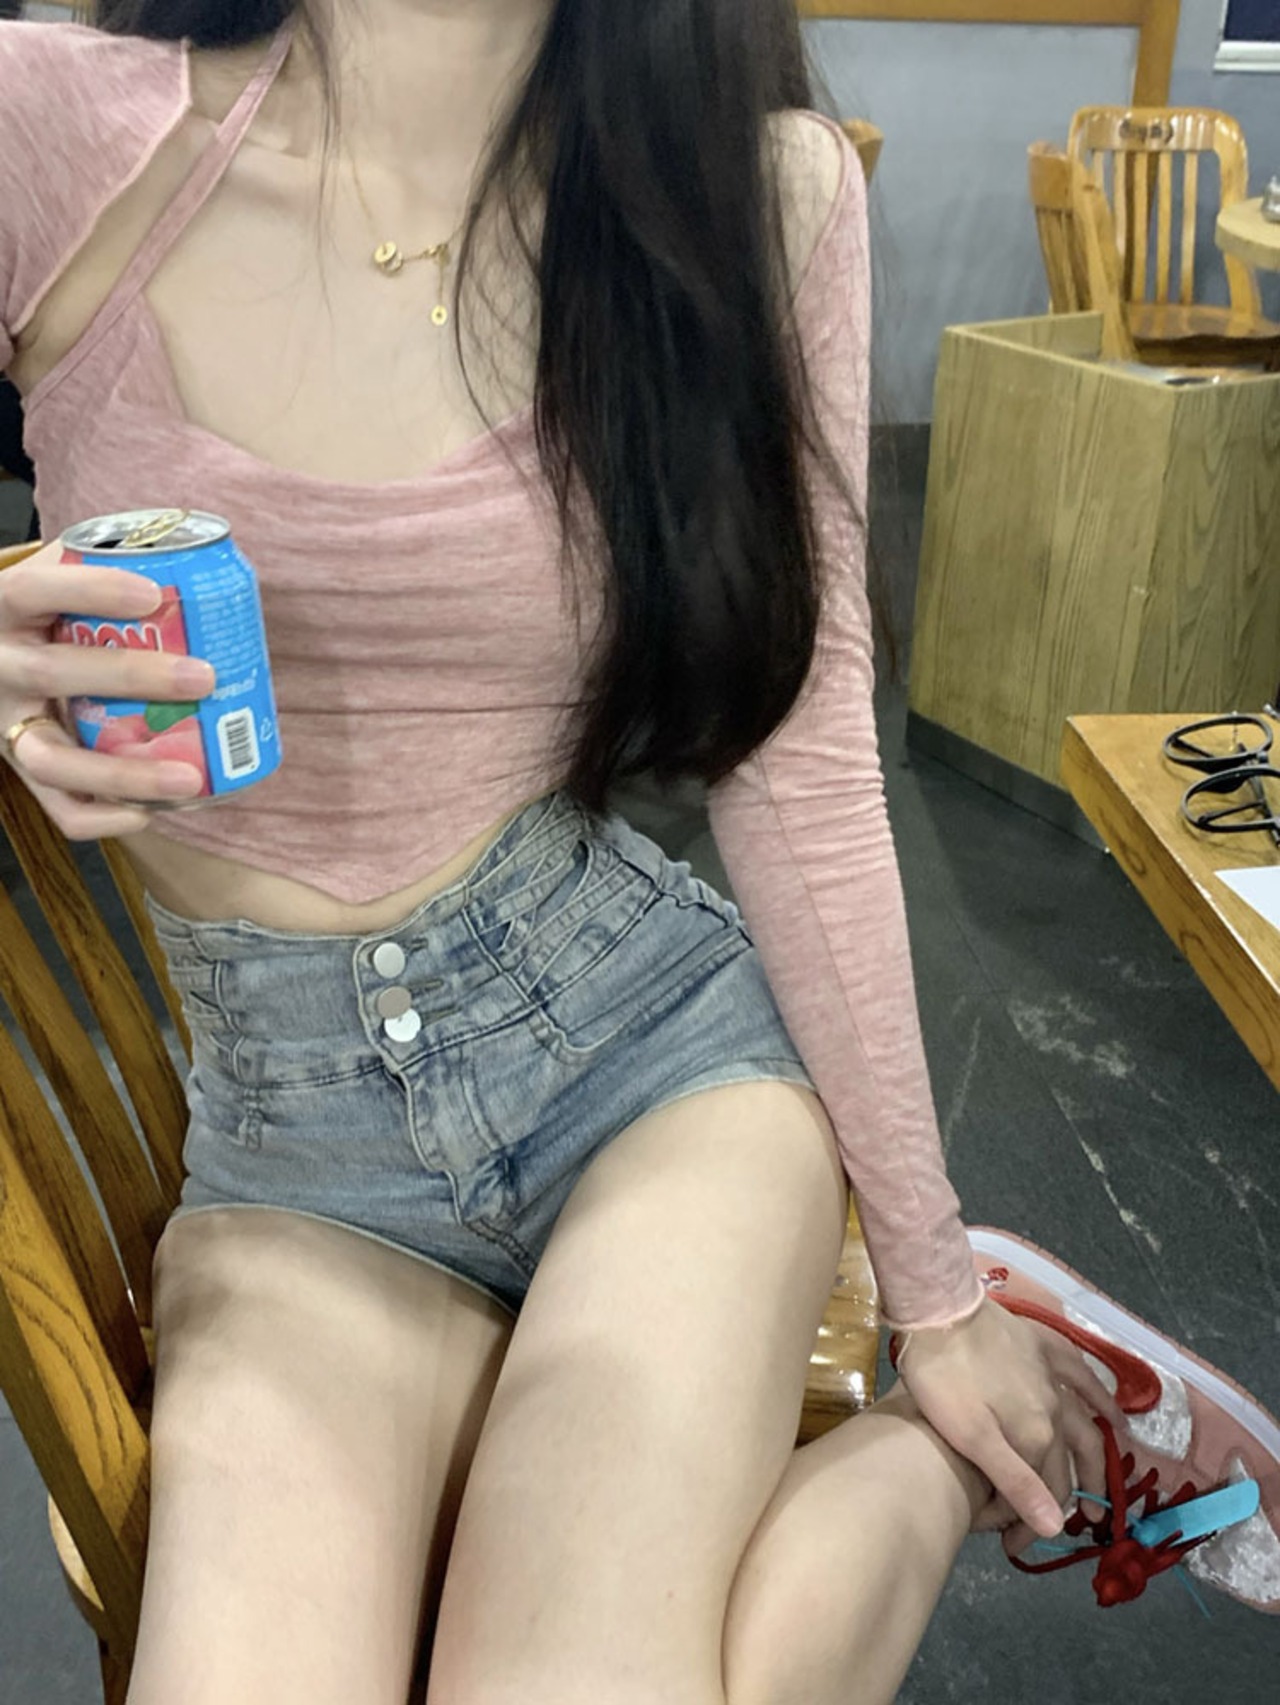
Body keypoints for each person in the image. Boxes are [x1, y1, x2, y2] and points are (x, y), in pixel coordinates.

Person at [0, 4, 1275, 1701]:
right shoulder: (57, 126)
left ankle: (956, 1413)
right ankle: (938, 1457)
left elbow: (803, 767)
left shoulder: (752, 194)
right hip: (297, 1151)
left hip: (648, 1067)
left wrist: (928, 1278)